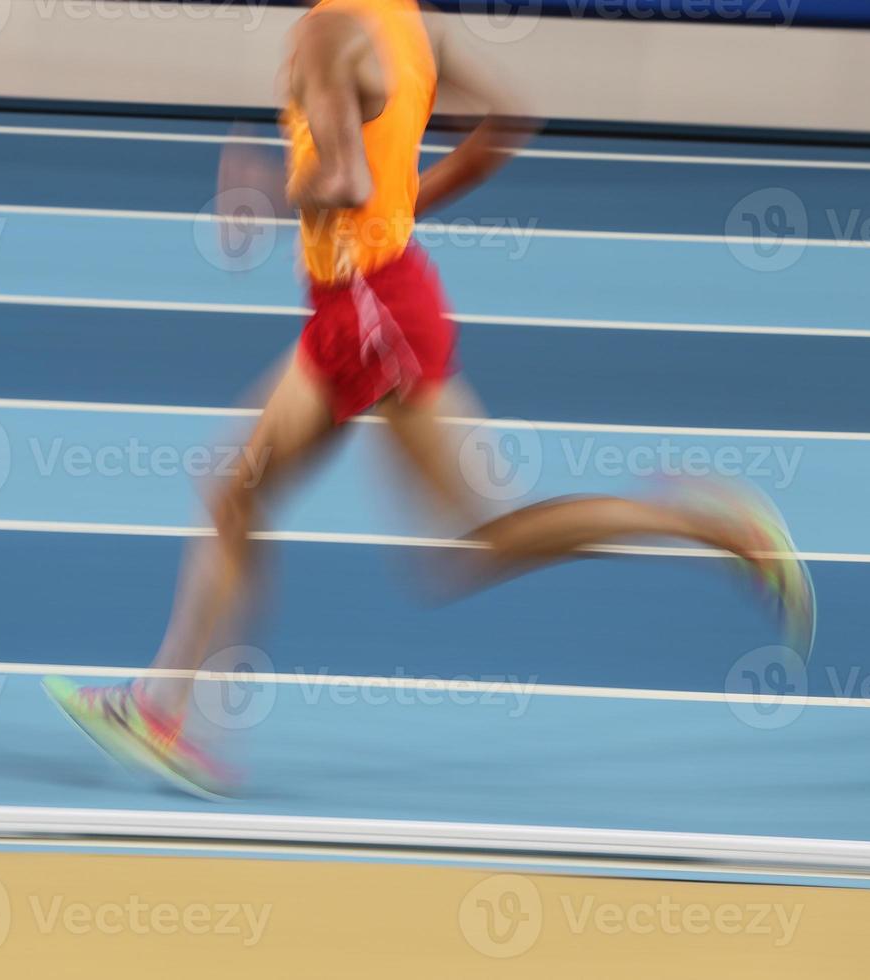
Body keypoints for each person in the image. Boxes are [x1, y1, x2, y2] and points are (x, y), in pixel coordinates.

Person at [45, 0, 814, 799]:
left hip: (373, 316)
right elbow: (507, 122)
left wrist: (267, 197)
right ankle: (161, 713)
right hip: (366, 303)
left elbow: (340, 179)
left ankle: (709, 523)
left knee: (475, 544)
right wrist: (396, 204)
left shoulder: (325, 31)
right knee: (236, 492)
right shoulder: (413, 25)